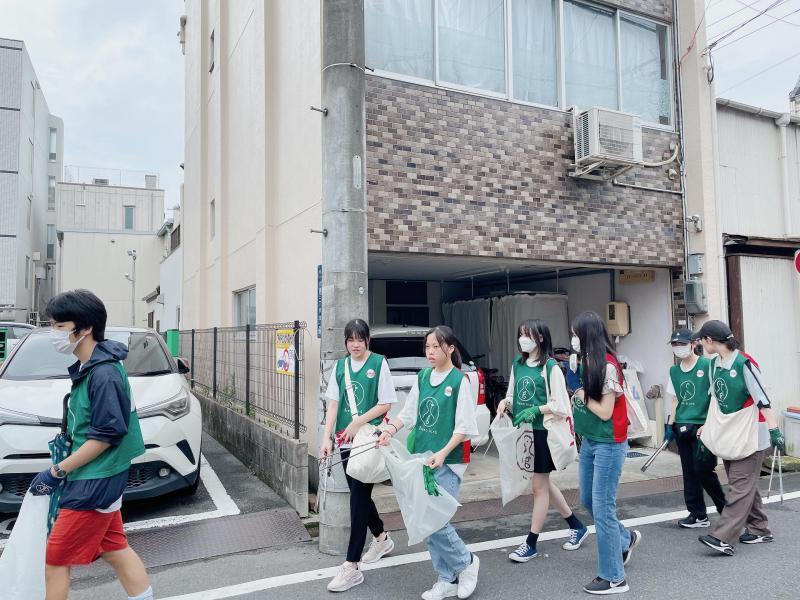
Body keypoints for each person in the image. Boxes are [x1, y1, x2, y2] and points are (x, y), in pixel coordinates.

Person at [28, 290, 152, 600]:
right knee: (115, 549)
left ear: (84, 329)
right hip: (100, 474)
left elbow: (106, 435)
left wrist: (57, 471)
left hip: (94, 478)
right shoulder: (94, 367)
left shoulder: (104, 373)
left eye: (59, 326)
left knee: (55, 561)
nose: (53, 333)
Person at [378, 325, 480, 600]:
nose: (430, 352)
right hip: (422, 459)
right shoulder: (423, 377)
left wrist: (443, 453)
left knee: (434, 520)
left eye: (436, 346)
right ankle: (446, 578)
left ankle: (466, 562)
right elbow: (408, 414)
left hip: (447, 461)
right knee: (426, 520)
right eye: (428, 347)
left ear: (450, 348)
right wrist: (389, 430)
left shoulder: (460, 382)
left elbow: (464, 428)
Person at [496, 319, 587, 563]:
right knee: (543, 483)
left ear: (541, 338)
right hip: (525, 432)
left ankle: (531, 543)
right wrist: (505, 404)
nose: (523, 339)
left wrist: (538, 409)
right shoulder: (518, 363)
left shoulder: (551, 368)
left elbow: (561, 404)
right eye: (521, 334)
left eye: (528, 335)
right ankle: (576, 525)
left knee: (538, 487)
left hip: (543, 432)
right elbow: (512, 393)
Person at [693, 320, 785, 556]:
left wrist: (775, 431)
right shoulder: (715, 365)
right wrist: (707, 429)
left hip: (752, 433)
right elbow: (716, 401)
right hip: (730, 433)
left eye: (701, 339)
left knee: (739, 486)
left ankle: (723, 537)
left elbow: (763, 399)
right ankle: (759, 529)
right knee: (745, 485)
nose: (700, 344)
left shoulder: (744, 364)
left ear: (709, 341)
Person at [321, 318, 397, 592]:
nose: (355, 344)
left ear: (368, 340)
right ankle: (381, 537)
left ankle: (351, 565)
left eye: (360, 339)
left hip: (366, 439)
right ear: (345, 342)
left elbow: (386, 403)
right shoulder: (340, 367)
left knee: (359, 497)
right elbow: (332, 405)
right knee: (359, 494)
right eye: (350, 339)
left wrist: (357, 422)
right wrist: (326, 439)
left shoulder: (378, 363)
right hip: (344, 439)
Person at [570, 311, 641, 595]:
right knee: (588, 499)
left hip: (609, 443)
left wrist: (581, 395)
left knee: (602, 508)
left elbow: (605, 411)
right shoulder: (587, 361)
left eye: (575, 334)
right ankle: (624, 540)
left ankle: (614, 577)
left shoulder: (608, 366)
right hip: (590, 441)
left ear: (587, 336)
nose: (573, 340)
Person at [664, 328, 726, 528]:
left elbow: (716, 398)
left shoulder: (707, 365)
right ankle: (698, 514)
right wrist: (670, 424)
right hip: (683, 425)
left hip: (703, 426)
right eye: (675, 345)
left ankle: (725, 511)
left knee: (704, 470)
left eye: (682, 344)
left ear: (693, 344)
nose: (678, 348)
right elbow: (674, 400)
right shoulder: (673, 371)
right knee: (689, 471)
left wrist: (709, 424)